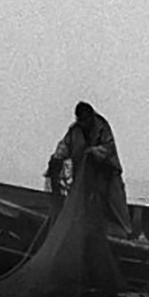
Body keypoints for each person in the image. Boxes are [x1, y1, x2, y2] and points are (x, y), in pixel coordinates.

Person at [45, 101, 137, 238]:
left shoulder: (102, 127)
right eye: (81, 120)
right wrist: (56, 158)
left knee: (117, 205)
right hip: (84, 179)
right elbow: (64, 147)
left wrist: (93, 152)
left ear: (91, 116)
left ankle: (128, 234)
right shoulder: (74, 131)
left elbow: (108, 148)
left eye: (86, 119)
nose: (84, 123)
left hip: (108, 175)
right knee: (84, 206)